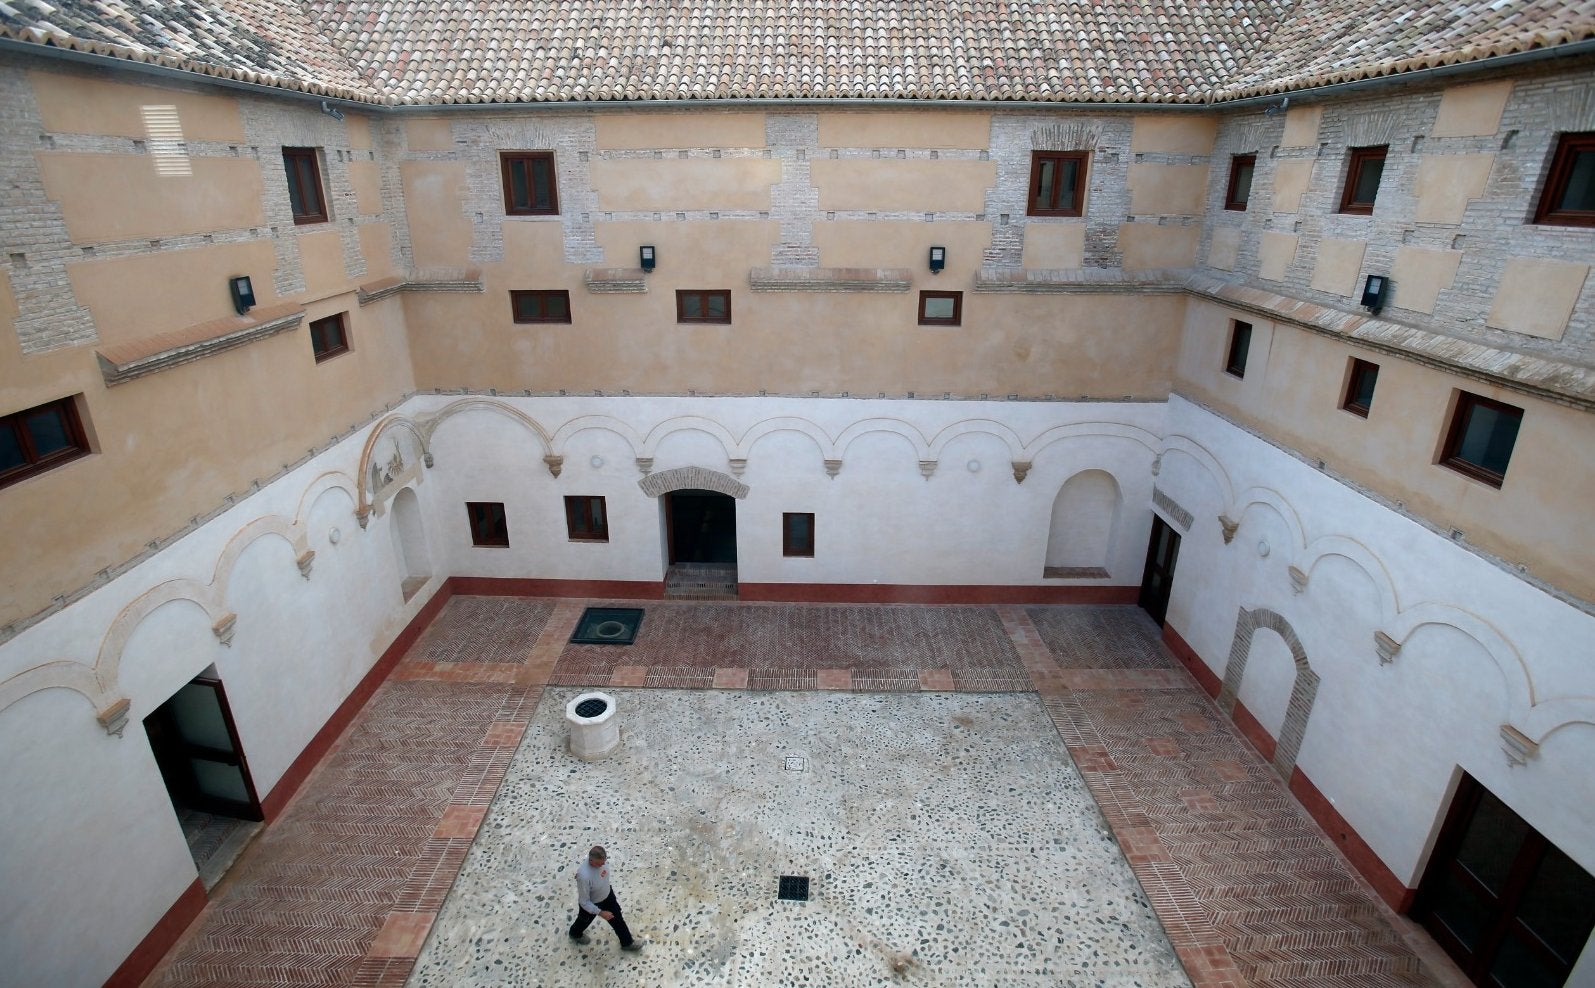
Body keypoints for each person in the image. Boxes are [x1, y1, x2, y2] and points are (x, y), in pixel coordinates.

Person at [568, 844, 642, 952]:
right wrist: (600, 912)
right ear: (591, 860)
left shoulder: (601, 862)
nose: (603, 864)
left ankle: (627, 943)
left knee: (618, 919)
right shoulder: (584, 876)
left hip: (607, 896)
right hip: (593, 904)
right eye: (599, 863)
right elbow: (584, 902)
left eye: (604, 861)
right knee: (582, 922)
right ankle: (575, 934)